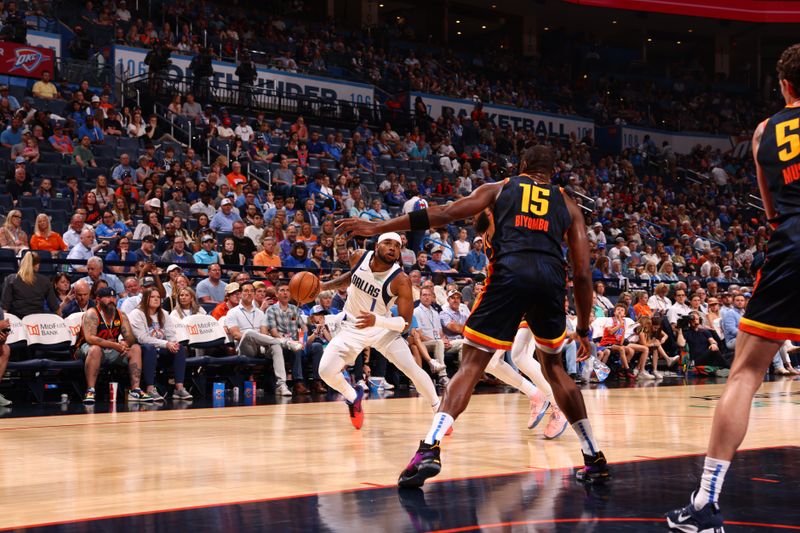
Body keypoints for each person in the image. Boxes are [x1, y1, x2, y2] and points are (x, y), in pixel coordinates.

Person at [337, 146, 605, 487]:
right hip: (551, 279)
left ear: (522, 165)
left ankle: (430, 448)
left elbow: (445, 213)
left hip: (509, 274)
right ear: (552, 172)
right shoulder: (569, 204)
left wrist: (380, 226)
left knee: (473, 365)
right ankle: (594, 456)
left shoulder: (500, 188)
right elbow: (582, 274)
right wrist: (583, 329)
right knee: (554, 367)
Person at [668, 52, 800, 529]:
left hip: (792, 245)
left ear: (784, 85)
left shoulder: (765, 131)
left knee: (744, 374)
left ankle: (705, 504)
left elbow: (769, 207)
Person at [316, 233, 442, 429]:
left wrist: (378, 320)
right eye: (388, 243)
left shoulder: (401, 280)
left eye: (397, 246)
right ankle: (353, 397)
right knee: (325, 371)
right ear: (376, 246)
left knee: (412, 370)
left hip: (381, 329)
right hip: (352, 327)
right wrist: (324, 286)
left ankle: (438, 409)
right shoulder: (358, 256)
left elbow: (406, 323)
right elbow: (351, 277)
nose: (393, 248)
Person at [74, 287, 154, 404]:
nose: (111, 300)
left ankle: (135, 390)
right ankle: (90, 390)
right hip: (86, 349)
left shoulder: (121, 315)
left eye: (113, 297)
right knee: (95, 349)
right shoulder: (92, 313)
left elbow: (131, 339)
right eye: (107, 297)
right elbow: (90, 338)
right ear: (98, 300)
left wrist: (126, 342)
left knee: (135, 348)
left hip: (111, 350)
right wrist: (115, 345)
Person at [231, 282, 304, 397]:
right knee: (249, 332)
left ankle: (281, 385)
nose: (249, 293)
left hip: (261, 347)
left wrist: (260, 338)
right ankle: (287, 342)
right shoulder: (233, 312)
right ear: (240, 294)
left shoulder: (260, 313)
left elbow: (264, 333)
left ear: (254, 294)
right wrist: (255, 337)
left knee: (276, 346)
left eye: (251, 291)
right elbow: (235, 334)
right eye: (246, 291)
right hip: (245, 347)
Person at [128, 287, 192, 401]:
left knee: (180, 348)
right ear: (145, 299)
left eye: (158, 297)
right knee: (150, 348)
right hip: (142, 349)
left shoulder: (164, 313)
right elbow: (143, 338)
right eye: (152, 297)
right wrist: (166, 343)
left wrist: (173, 343)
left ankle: (179, 389)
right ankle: (150, 389)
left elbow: (171, 333)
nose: (156, 299)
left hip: (161, 347)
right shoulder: (136, 314)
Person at [0, 252, 59, 317]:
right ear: (36, 265)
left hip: (16, 321)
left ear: (22, 263)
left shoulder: (11, 279)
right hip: (37, 321)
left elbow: (5, 307)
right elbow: (54, 307)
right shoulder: (45, 281)